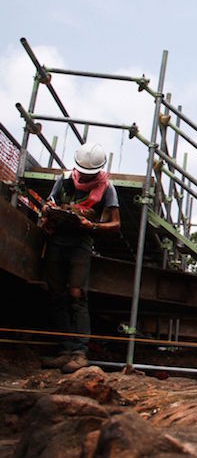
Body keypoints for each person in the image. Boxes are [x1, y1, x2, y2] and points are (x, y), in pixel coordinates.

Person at [39, 143, 120, 373]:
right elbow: (49, 203)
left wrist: (91, 225)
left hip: (80, 245)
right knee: (56, 294)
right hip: (57, 242)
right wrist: (48, 211)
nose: (84, 176)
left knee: (77, 295)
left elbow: (115, 225)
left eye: (89, 173)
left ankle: (79, 352)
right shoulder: (63, 180)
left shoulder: (107, 189)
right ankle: (65, 351)